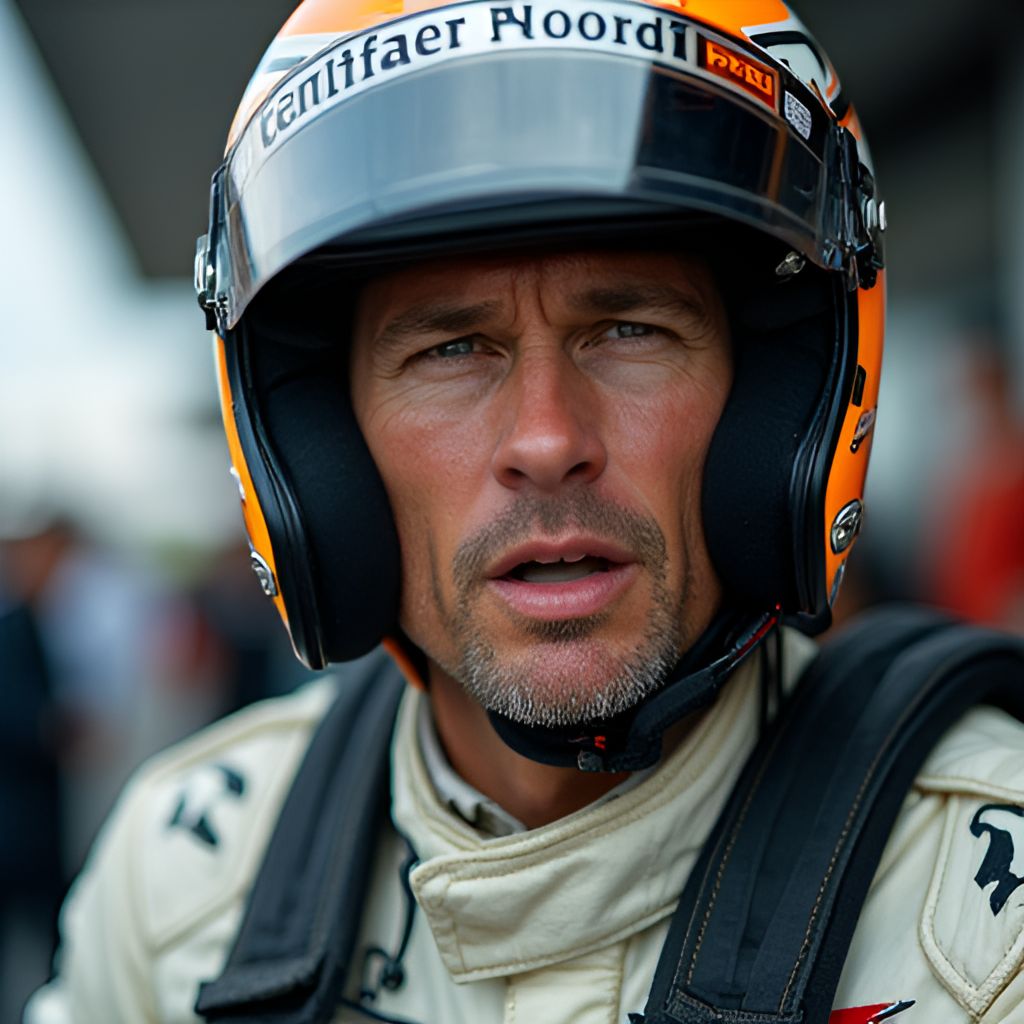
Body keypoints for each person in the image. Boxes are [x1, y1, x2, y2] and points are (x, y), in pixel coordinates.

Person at [25, 2, 1024, 1023]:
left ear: (773, 401)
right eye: (451, 349)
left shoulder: (995, 939)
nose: (547, 440)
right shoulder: (177, 892)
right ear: (328, 446)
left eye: (629, 328)